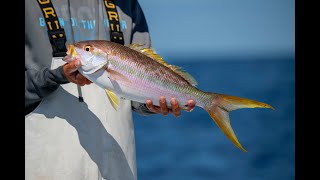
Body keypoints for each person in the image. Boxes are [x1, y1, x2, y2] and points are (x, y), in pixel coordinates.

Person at [25, 0, 195, 180]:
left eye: (88, 49)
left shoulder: (128, 5)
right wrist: (56, 76)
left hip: (118, 168)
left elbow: (138, 88)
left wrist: (151, 104)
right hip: (45, 168)